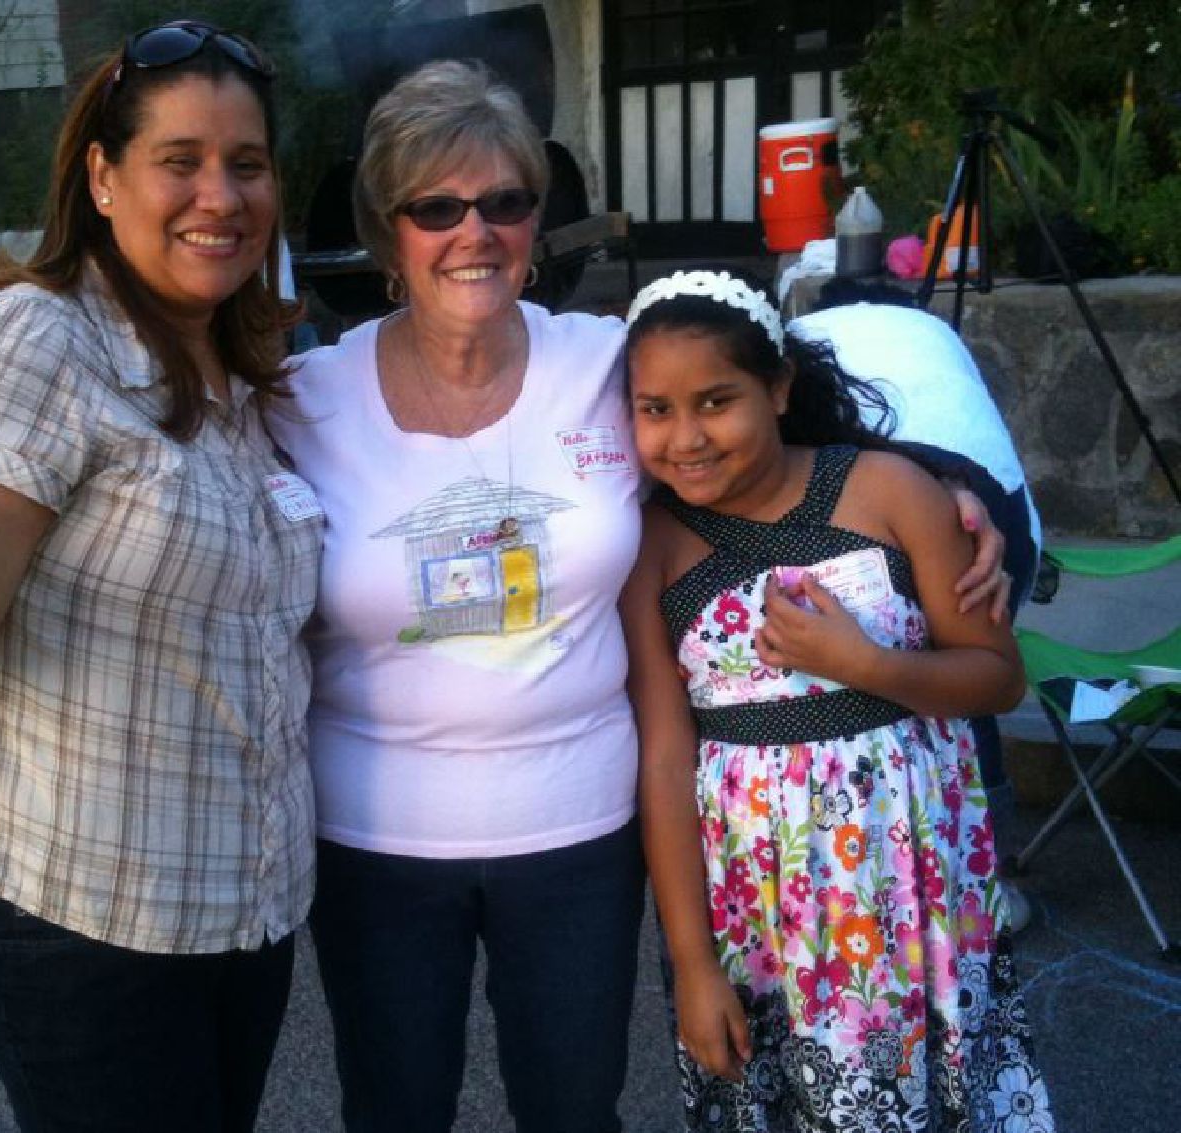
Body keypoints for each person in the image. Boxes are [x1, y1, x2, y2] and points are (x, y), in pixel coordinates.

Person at [267, 62, 1010, 1133]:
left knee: (574, 1109)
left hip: (577, 829)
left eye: (505, 201)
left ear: (536, 220)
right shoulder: (303, 400)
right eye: (436, 208)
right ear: (388, 231)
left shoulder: (607, 365)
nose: (474, 232)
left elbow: (766, 425)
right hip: (375, 838)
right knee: (394, 1108)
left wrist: (953, 490)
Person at [0, 20, 320, 1133]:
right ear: (102, 177)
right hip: (80, 917)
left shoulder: (240, 364)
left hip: (238, 907)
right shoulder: (42, 340)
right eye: (180, 160)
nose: (221, 195)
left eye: (247, 164)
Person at [620, 268, 1054, 1132]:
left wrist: (865, 664)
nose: (687, 436)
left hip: (912, 894)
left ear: (779, 388)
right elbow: (666, 762)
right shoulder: (654, 551)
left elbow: (997, 675)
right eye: (655, 409)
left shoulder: (891, 492)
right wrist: (693, 965)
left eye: (717, 401)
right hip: (758, 917)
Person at [789, 281, 1040, 828]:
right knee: (963, 670)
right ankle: (986, 845)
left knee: (963, 664)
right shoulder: (933, 332)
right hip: (971, 485)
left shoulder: (797, 339)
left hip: (941, 492)